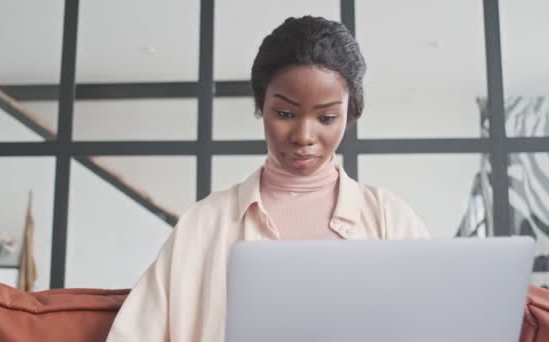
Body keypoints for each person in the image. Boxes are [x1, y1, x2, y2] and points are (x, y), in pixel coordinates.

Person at [106, 15, 429, 342]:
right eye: (285, 114)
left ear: (350, 115)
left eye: (327, 117)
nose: (304, 135)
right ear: (261, 106)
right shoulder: (204, 223)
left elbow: (433, 324)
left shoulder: (390, 220)